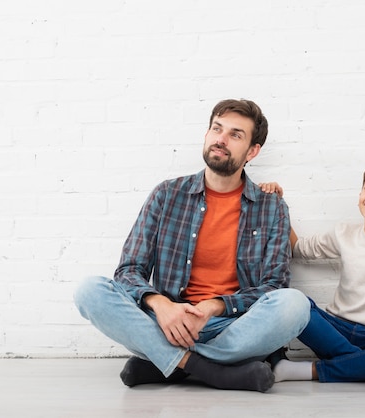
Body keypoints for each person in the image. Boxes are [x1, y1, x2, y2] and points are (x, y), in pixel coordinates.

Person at [74, 99, 310, 393]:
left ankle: (168, 364)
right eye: (217, 129)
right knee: (90, 291)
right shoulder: (167, 194)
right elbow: (129, 270)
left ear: (252, 151)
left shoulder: (271, 206)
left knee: (295, 305)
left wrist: (214, 307)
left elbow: (273, 286)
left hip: (230, 325)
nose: (221, 140)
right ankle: (213, 371)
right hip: (167, 322)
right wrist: (162, 306)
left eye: (235, 135)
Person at [260, 160, 365, 383]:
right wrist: (278, 202)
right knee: (293, 301)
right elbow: (299, 249)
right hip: (336, 330)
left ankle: (311, 371)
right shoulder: (344, 233)